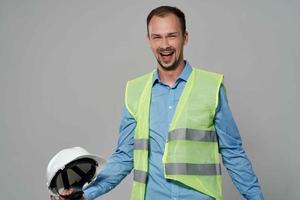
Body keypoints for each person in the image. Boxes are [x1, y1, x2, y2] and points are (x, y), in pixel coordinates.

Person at [55, 5, 264, 200]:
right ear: (149, 40)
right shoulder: (135, 91)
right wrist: (85, 194)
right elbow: (125, 156)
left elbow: (233, 152)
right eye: (157, 37)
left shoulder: (211, 87)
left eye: (172, 36)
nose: (164, 45)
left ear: (185, 37)